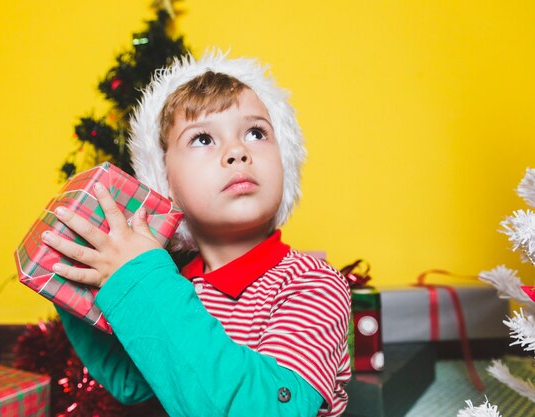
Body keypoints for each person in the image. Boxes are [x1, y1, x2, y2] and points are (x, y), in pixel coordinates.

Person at [41, 50, 351, 417]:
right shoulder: (174, 286)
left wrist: (140, 280)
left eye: (256, 133)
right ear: (165, 184)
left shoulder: (313, 284)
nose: (237, 151)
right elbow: (132, 382)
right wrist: (72, 277)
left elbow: (267, 410)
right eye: (202, 139)